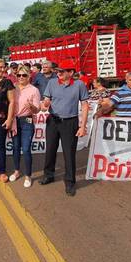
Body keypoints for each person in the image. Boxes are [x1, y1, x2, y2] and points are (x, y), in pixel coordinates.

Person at [39, 63, 89, 197]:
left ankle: (70, 182)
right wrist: (45, 105)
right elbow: (45, 102)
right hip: (53, 121)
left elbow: (84, 106)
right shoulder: (52, 83)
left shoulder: (79, 85)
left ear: (71, 72)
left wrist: (82, 126)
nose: (58, 73)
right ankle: (48, 175)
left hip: (70, 122)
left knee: (69, 152)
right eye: (57, 71)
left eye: (62, 71)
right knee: (50, 149)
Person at [10, 65, 41, 188]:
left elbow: (37, 110)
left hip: (27, 121)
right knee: (16, 147)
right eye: (19, 75)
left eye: (24, 75)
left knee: (26, 149)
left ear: (29, 76)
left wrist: (32, 107)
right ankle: (17, 171)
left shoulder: (34, 90)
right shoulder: (13, 88)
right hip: (14, 120)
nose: (21, 77)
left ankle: (28, 175)